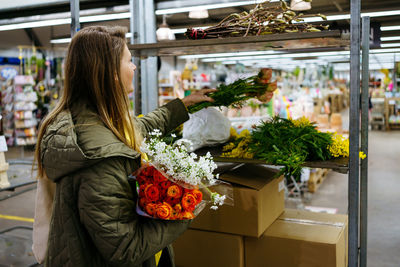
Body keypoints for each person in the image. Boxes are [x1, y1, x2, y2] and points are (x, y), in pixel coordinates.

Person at [32, 26, 216, 267]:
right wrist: (188, 205)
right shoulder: (99, 159)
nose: (135, 66)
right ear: (112, 75)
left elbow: (138, 127)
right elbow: (126, 249)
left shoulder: (87, 120)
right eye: (129, 61)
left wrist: (182, 105)